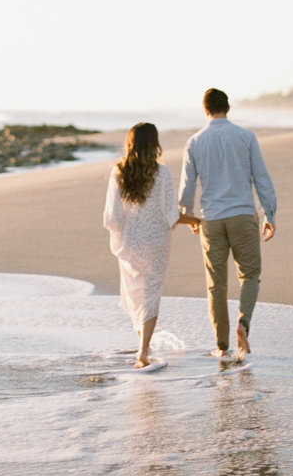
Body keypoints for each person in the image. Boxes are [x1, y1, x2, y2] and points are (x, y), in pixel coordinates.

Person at [178, 88, 277, 359]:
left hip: (211, 219)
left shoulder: (195, 141)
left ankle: (221, 346)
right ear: (228, 108)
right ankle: (243, 323)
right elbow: (261, 178)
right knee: (250, 275)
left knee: (216, 284)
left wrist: (187, 216)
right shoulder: (245, 137)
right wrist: (270, 215)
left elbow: (187, 185)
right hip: (243, 215)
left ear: (205, 109)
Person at [103, 122, 200, 368]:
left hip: (130, 242)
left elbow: (112, 217)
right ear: (154, 144)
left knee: (136, 294)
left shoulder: (118, 171)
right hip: (156, 242)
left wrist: (122, 236)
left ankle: (143, 348)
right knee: (151, 293)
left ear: (130, 143)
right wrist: (194, 220)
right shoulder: (162, 172)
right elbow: (171, 214)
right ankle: (143, 352)